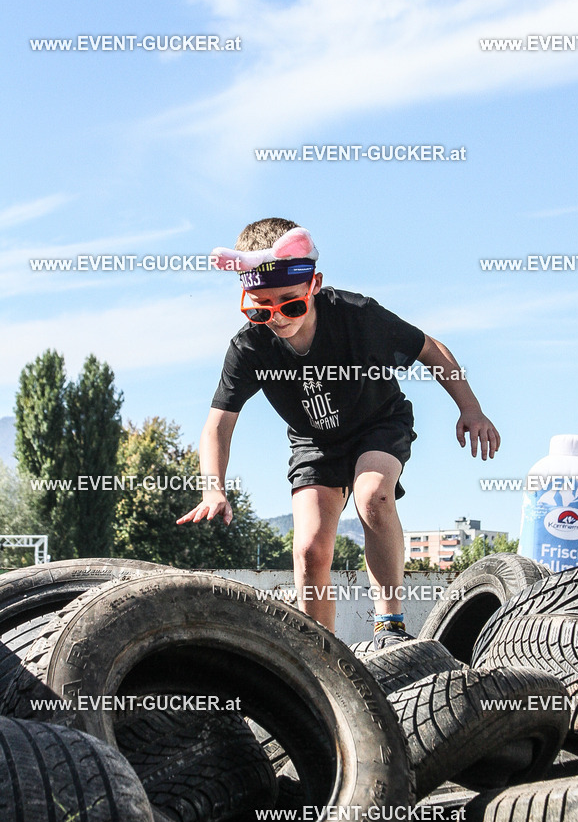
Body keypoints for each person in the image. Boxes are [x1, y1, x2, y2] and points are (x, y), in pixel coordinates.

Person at [178, 218, 500, 648]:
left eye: (290, 305)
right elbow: (218, 424)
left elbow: (429, 348)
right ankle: (320, 652)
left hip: (378, 424)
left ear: (314, 285)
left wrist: (471, 408)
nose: (276, 319)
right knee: (310, 549)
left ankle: (390, 625)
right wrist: (212, 488)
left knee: (372, 496)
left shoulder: (356, 315)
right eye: (260, 308)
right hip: (314, 442)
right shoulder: (249, 347)